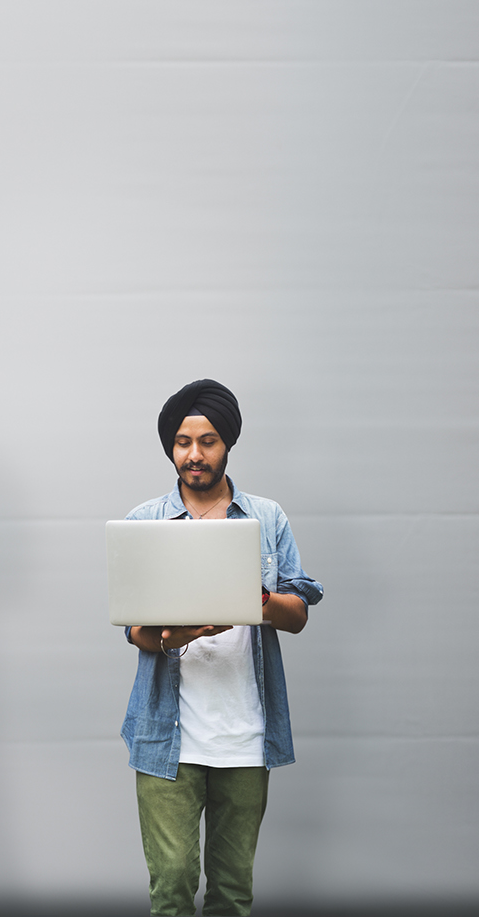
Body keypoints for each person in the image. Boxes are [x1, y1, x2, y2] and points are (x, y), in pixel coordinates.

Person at [120, 379, 323, 917]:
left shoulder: (267, 517)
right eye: (184, 442)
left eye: (208, 441)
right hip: (168, 738)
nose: (194, 454)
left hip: (246, 735)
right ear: (170, 447)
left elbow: (298, 613)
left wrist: (252, 599)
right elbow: (136, 632)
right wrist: (174, 636)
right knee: (171, 889)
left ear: (227, 443)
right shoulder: (146, 521)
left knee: (233, 894)